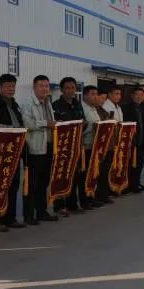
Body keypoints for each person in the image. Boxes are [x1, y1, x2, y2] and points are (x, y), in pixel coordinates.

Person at [0, 74, 26, 232]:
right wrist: (13, 130)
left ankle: (11, 218)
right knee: (0, 186)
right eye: (7, 86)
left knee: (14, 185)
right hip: (2, 151)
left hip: (15, 151)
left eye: (13, 86)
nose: (11, 89)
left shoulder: (15, 104)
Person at [20, 75, 58, 225]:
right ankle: (28, 215)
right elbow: (26, 123)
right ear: (34, 88)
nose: (44, 89)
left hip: (48, 146)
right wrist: (46, 123)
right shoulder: (27, 104)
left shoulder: (48, 103)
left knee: (44, 182)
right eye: (41, 86)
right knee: (32, 183)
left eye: (46, 86)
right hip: (34, 148)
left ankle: (41, 212)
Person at [52, 77, 85, 216]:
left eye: (72, 88)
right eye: (67, 88)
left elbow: (82, 121)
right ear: (62, 90)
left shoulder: (78, 104)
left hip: (76, 145)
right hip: (62, 147)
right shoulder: (55, 105)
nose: (70, 90)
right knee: (60, 175)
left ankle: (72, 204)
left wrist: (84, 124)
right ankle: (59, 206)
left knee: (75, 176)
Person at [122, 86, 144, 194]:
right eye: (136, 94)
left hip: (143, 141)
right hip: (132, 142)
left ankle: (136, 183)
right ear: (132, 96)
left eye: (141, 95)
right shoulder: (125, 108)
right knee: (130, 165)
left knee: (140, 164)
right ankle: (129, 185)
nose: (139, 97)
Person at [80, 85, 104, 209]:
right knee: (84, 176)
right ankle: (84, 201)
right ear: (85, 96)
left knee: (93, 174)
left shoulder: (94, 109)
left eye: (96, 94)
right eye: (93, 94)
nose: (96, 97)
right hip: (85, 147)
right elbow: (82, 129)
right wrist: (93, 127)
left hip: (95, 146)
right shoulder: (82, 109)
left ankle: (92, 197)